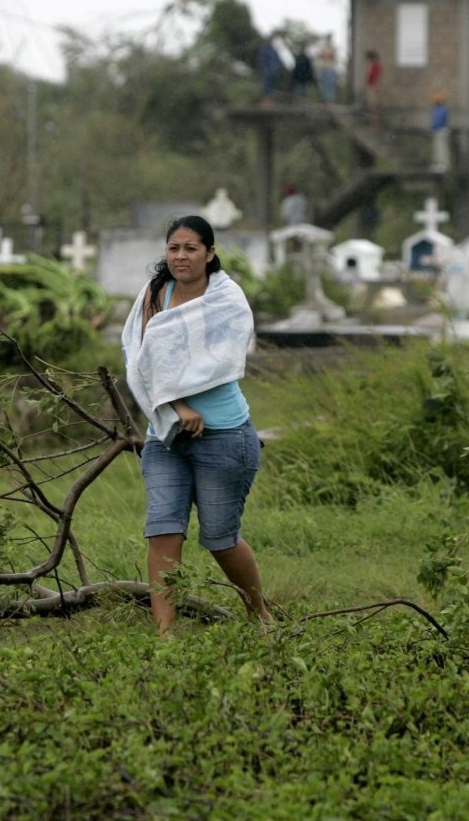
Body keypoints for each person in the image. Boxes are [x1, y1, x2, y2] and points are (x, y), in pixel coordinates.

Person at [121, 216, 273, 637]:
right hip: (165, 434)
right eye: (174, 248)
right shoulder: (155, 293)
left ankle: (260, 615)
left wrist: (186, 398)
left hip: (225, 436)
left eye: (190, 249)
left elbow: (221, 361)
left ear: (209, 253)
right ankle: (165, 636)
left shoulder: (227, 300)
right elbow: (139, 360)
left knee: (220, 538)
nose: (181, 256)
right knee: (163, 531)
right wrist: (175, 404)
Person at [255, 36, 283, 106]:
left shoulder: (274, 50)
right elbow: (261, 60)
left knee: (272, 87)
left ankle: (271, 102)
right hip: (267, 71)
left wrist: (277, 69)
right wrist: (264, 69)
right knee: (266, 86)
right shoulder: (264, 49)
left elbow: (277, 60)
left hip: (273, 71)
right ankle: (265, 102)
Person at [430, 92, 450, 173]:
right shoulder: (437, 110)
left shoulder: (442, 109)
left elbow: (439, 121)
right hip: (438, 130)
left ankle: (443, 164)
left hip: (441, 130)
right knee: (437, 147)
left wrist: (434, 127)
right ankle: (439, 163)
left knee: (442, 148)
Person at [316, 34, 338, 105]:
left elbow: (332, 55)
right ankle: (325, 102)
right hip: (324, 68)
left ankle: (330, 102)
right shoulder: (323, 45)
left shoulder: (332, 46)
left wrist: (326, 54)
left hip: (330, 68)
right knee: (324, 86)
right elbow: (320, 55)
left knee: (330, 86)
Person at [364, 49, 384, 128]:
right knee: (372, 105)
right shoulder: (373, 65)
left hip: (373, 86)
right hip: (371, 86)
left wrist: (375, 85)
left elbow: (377, 76)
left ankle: (375, 123)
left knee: (374, 105)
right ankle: (373, 122)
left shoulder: (376, 66)